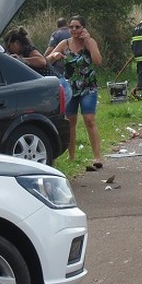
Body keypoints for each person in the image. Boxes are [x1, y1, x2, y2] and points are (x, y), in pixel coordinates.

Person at [47, 15, 104, 170]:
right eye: (71, 27)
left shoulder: (89, 42)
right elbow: (46, 61)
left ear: (83, 28)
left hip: (88, 87)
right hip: (70, 88)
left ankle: (97, 156)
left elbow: (98, 61)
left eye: (77, 27)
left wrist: (89, 42)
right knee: (70, 122)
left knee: (89, 120)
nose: (73, 30)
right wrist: (54, 56)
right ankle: (71, 156)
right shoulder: (64, 44)